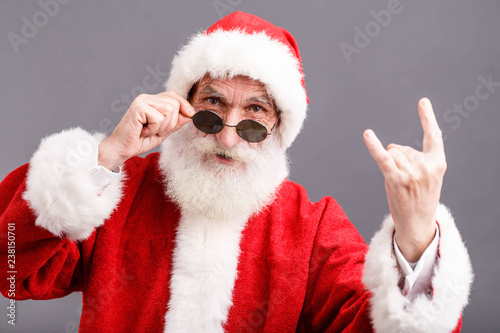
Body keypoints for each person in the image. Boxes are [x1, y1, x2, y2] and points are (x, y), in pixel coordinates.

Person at [0, 11, 472, 333]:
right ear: (183, 107)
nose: (227, 139)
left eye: (253, 119)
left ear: (279, 128)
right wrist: (104, 159)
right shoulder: (118, 190)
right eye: (211, 109)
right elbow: (12, 267)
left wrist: (414, 239)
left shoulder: (311, 227)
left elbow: (372, 324)